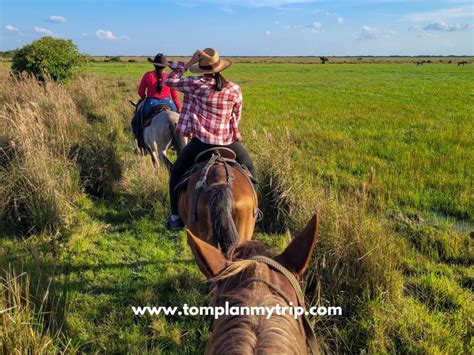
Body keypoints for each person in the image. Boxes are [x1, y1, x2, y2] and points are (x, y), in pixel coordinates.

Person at [164, 48, 257, 231]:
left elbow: (169, 81)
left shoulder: (195, 84)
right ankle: (255, 211)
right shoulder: (234, 88)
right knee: (251, 169)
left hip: (201, 143)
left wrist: (188, 63)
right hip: (228, 142)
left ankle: (175, 217)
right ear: (220, 67)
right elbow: (236, 117)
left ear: (202, 69)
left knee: (176, 172)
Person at [131, 53, 181, 136]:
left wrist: (144, 98)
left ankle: (138, 135)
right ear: (165, 66)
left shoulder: (148, 75)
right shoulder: (170, 76)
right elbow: (174, 96)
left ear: (154, 65)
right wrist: (179, 108)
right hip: (169, 103)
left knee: (137, 118)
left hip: (151, 103)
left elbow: (140, 92)